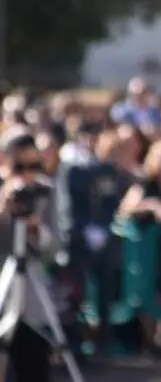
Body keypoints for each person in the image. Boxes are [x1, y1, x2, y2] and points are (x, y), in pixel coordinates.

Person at [0, 129, 60, 382]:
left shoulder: (44, 191)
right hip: (2, 283)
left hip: (31, 289)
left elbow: (54, 244)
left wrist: (36, 228)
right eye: (19, 165)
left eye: (33, 164)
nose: (26, 172)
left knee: (34, 359)